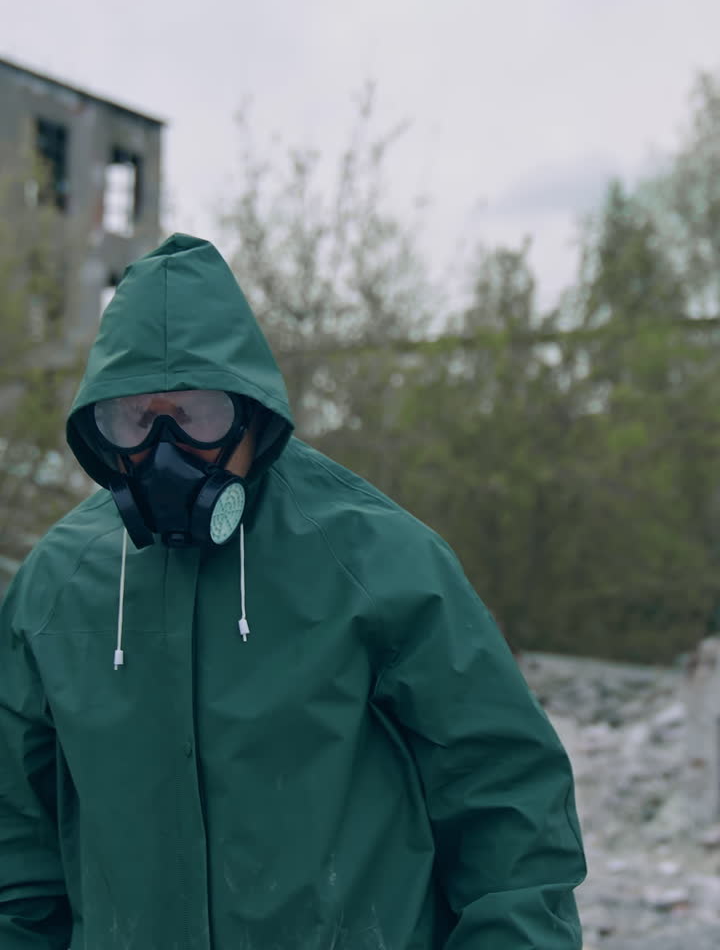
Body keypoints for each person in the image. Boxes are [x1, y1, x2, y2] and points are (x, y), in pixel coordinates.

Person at [0, 233, 586, 949]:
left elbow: (509, 805)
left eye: (196, 416)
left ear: (252, 413)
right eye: (134, 420)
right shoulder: (56, 587)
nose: (162, 451)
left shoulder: (377, 560)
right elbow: (15, 852)